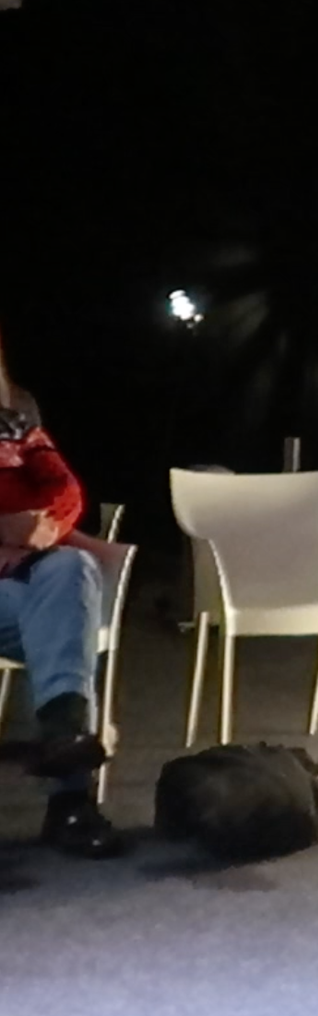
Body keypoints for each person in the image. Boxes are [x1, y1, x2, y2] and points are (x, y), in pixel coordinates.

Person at [0, 365, 123, 859]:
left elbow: (65, 491)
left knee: (71, 569)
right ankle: (72, 793)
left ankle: (65, 743)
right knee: (65, 617)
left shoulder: (17, 419)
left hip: (19, 584)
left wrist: (41, 528)